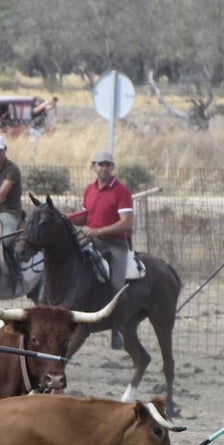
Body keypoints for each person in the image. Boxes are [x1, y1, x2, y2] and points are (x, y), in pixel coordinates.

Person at [67, 149, 135, 350]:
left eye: (108, 164)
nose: (104, 167)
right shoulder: (89, 189)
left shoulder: (121, 191)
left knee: (117, 285)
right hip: (92, 242)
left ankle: (118, 329)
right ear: (94, 167)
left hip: (116, 245)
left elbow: (126, 223)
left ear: (112, 168)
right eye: (100, 164)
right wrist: (64, 218)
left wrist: (97, 231)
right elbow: (84, 216)